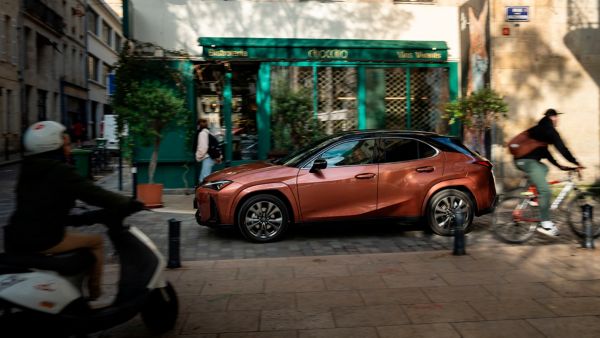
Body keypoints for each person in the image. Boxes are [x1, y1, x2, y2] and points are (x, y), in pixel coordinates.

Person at [3, 121, 143, 300]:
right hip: (44, 238)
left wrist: (75, 218)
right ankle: (94, 295)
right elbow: (93, 194)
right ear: (54, 146)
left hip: (17, 237)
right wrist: (127, 203)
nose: (70, 150)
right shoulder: (60, 171)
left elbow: (40, 203)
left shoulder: (28, 168)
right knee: (97, 242)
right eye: (67, 145)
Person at [513, 109, 583, 236]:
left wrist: (559, 166)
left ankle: (532, 193)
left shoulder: (541, 130)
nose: (558, 120)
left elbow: (546, 153)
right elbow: (562, 148)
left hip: (525, 161)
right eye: (557, 117)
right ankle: (545, 224)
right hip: (527, 161)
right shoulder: (549, 130)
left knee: (544, 168)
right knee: (546, 191)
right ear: (553, 117)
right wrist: (575, 162)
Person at [195, 118, 220, 183]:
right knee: (204, 177)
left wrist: (198, 156)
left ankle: (204, 192)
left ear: (198, 125)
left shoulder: (202, 133)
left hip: (207, 157)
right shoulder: (209, 133)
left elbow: (203, 147)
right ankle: (201, 191)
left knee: (204, 178)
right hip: (211, 157)